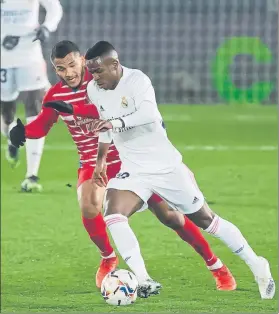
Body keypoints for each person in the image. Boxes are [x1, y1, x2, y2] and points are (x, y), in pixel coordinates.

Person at [9, 40, 236, 294]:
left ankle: (216, 266)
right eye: (61, 68)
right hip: (92, 161)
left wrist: (74, 108)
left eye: (72, 65)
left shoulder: (100, 82)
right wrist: (22, 133)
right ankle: (108, 258)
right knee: (88, 203)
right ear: (54, 69)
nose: (68, 72)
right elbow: (42, 125)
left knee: (171, 216)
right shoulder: (54, 95)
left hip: (129, 158)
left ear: (82, 60)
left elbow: (104, 113)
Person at [72, 41, 273, 299]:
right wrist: (101, 160)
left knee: (206, 220)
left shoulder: (137, 81)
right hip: (133, 169)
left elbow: (148, 114)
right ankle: (142, 279)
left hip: (165, 166)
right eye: (91, 72)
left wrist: (113, 121)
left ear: (114, 64)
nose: (94, 77)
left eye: (98, 71)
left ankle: (257, 264)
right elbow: (106, 128)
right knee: (113, 213)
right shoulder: (94, 89)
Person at [1, 0, 63, 192]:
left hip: (30, 56)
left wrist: (46, 27)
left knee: (35, 111)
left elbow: (54, 8)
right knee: (6, 116)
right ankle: (12, 138)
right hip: (3, 58)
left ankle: (32, 176)